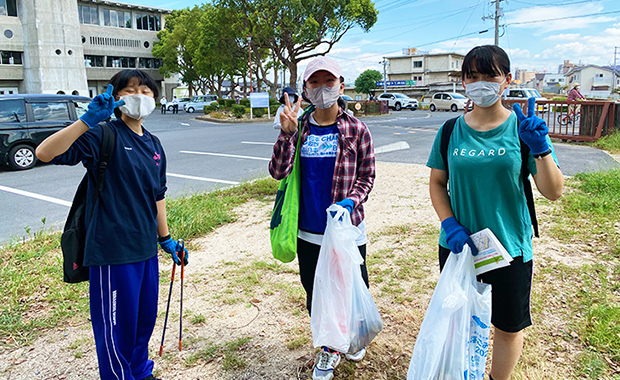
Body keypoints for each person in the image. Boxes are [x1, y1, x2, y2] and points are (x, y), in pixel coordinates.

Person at [35, 69, 188, 380]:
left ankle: (141, 373)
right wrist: (87, 120)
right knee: (116, 332)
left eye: (146, 91)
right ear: (116, 99)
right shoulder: (103, 135)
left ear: (155, 98)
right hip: (112, 253)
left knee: (142, 323)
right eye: (130, 91)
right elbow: (45, 152)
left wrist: (166, 239)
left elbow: (158, 195)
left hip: (145, 251)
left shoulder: (155, 144)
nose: (139, 97)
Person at [426, 45, 564, 380]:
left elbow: (553, 191)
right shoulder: (449, 132)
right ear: (462, 83)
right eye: (472, 76)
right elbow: (437, 183)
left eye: (490, 75)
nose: (480, 83)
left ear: (507, 81)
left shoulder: (522, 128)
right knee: (460, 320)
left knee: (507, 325)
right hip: (460, 249)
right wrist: (450, 225)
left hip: (509, 248)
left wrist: (541, 150)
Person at [269, 56, 375, 380]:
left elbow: (367, 177)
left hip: (347, 229)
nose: (322, 88)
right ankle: (328, 349)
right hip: (308, 231)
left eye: (329, 82)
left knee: (354, 286)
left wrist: (349, 202)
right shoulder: (298, 127)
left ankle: (355, 338)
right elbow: (277, 172)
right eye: (315, 82)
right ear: (305, 89)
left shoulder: (357, 129)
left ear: (341, 86)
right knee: (316, 291)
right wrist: (286, 135)